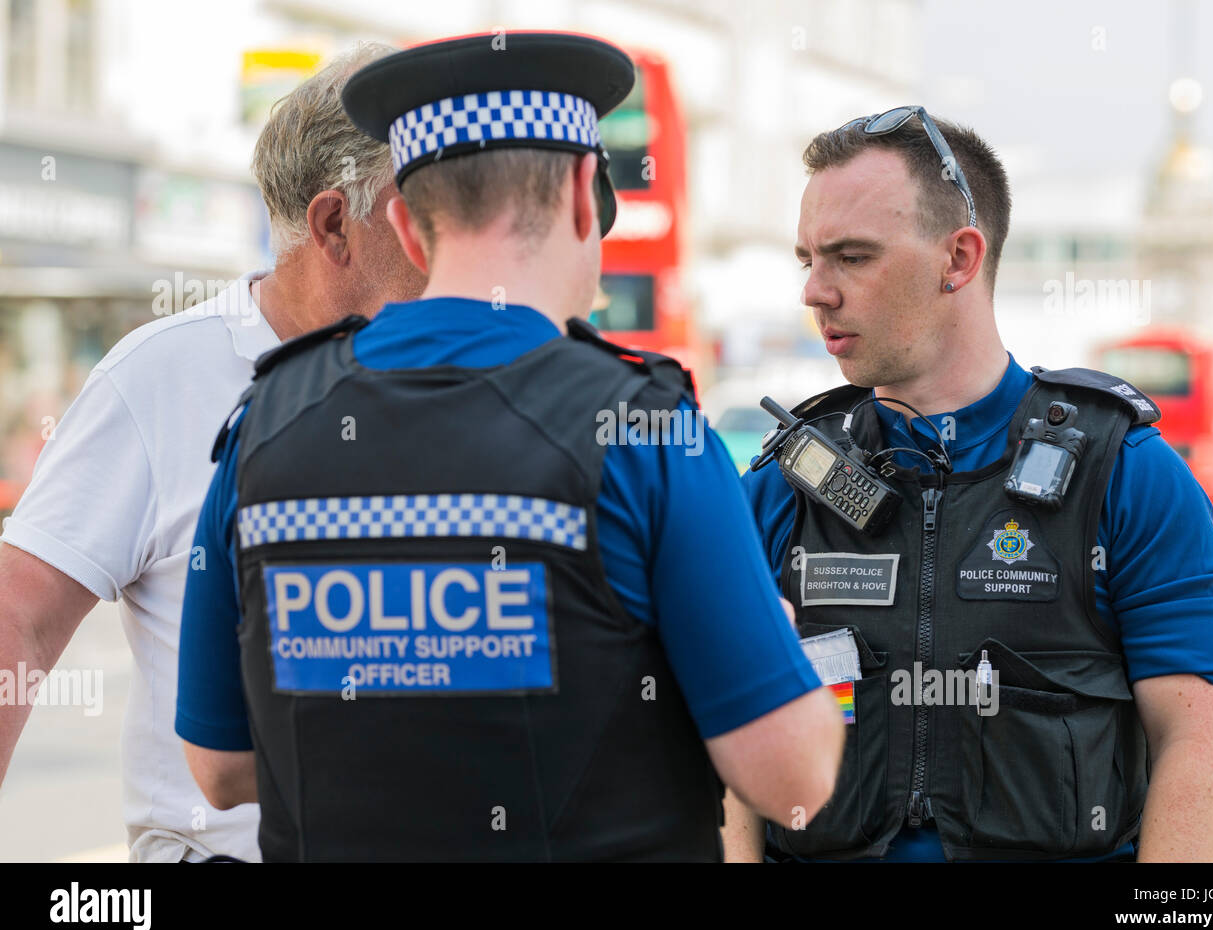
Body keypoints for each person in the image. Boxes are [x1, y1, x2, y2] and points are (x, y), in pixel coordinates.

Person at [175, 31, 843, 863]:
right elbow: (796, 781)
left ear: (406, 228)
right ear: (577, 194)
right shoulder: (647, 432)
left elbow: (222, 767)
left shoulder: (264, 423)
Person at [729, 107, 1213, 863]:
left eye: (852, 257)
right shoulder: (781, 490)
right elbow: (734, 760)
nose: (815, 291)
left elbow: (1191, 746)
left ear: (959, 259)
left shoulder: (1125, 474)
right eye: (807, 258)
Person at [0, 42, 425, 862]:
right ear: (336, 224)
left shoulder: (462, 374)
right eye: (425, 211)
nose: (456, 237)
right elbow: (18, 616)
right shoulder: (163, 375)